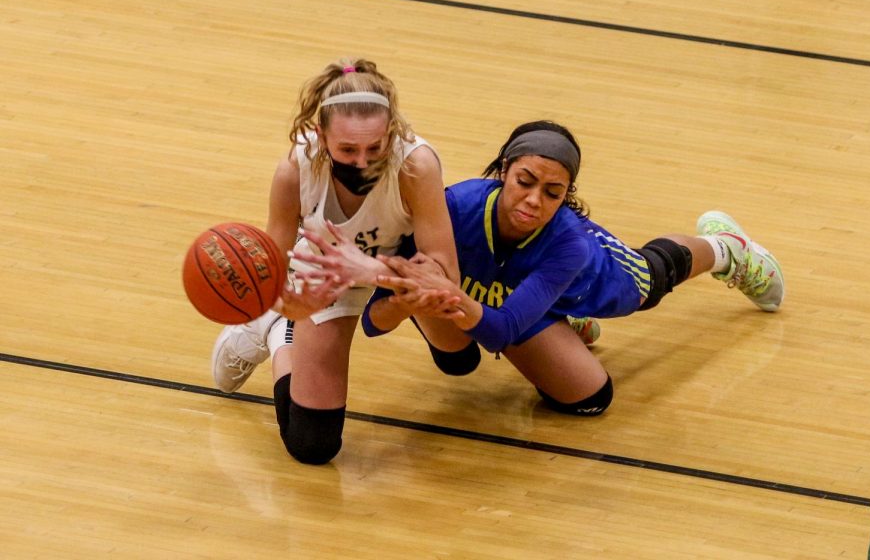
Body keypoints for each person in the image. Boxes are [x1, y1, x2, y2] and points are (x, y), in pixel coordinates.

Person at [349, 120, 784, 417]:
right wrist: (403, 299)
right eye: (525, 182)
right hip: (498, 303)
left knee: (594, 389)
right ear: (504, 171)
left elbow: (501, 333)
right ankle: (561, 323)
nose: (535, 200)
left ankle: (726, 249)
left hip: (582, 284)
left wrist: (447, 296)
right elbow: (371, 323)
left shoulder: (571, 245)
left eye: (553, 192)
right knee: (456, 364)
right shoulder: (453, 208)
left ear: (565, 195)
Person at [210, 58, 459, 465]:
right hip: (328, 275)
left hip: (403, 266)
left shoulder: (416, 164)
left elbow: (446, 272)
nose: (362, 162)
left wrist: (377, 273)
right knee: (312, 446)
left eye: (374, 148)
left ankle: (304, 323)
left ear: (391, 133)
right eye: (347, 149)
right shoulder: (295, 171)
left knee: (459, 356)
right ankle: (277, 334)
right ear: (321, 135)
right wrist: (291, 305)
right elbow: (271, 276)